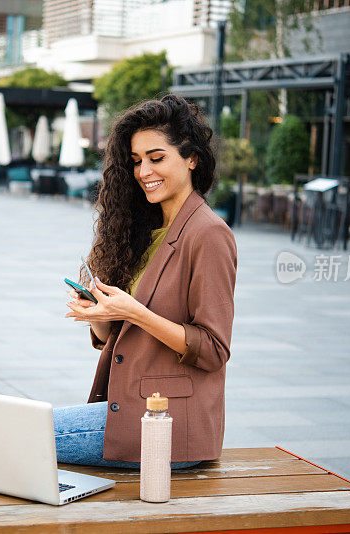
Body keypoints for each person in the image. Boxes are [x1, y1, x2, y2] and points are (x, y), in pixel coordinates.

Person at [59, 94, 237, 469]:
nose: (144, 172)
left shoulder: (208, 234)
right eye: (137, 161)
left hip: (168, 424)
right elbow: (120, 338)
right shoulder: (147, 231)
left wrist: (136, 312)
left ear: (191, 158)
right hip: (130, 409)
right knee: (14, 436)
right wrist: (103, 316)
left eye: (157, 158)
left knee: (19, 436)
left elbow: (213, 349)